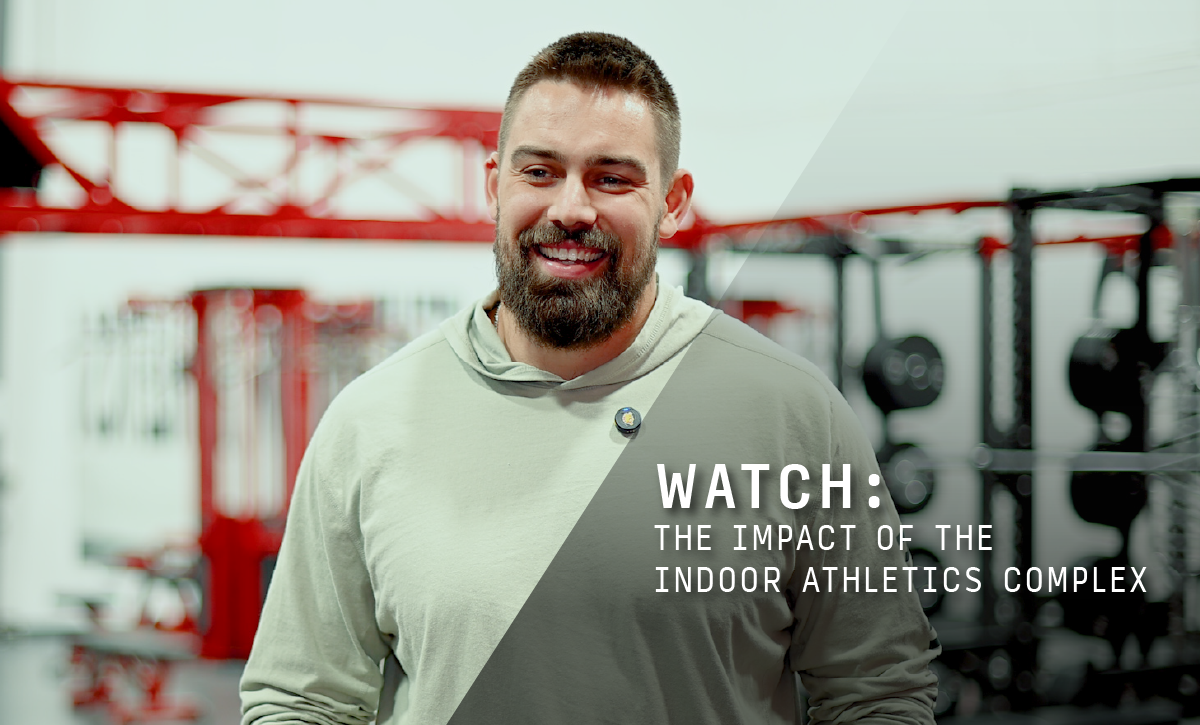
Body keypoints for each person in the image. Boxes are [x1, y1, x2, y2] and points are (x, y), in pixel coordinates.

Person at [240, 32, 939, 725]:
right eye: (539, 172)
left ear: (673, 200)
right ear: (493, 185)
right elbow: (302, 700)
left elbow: (877, 692)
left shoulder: (793, 414)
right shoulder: (372, 420)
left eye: (612, 177)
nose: (571, 209)